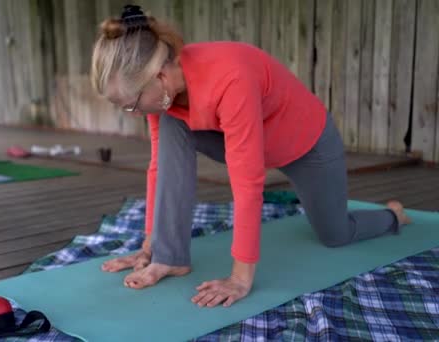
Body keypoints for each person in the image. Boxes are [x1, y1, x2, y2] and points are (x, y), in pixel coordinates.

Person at [89, 5, 411, 308]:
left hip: (307, 144)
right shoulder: (163, 95)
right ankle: (170, 256)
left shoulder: (230, 79)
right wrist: (151, 244)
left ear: (158, 77)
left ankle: (393, 216)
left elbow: (248, 183)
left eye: (130, 105)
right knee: (175, 124)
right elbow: (160, 165)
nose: (131, 113)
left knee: (336, 234)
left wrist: (240, 279)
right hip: (246, 139)